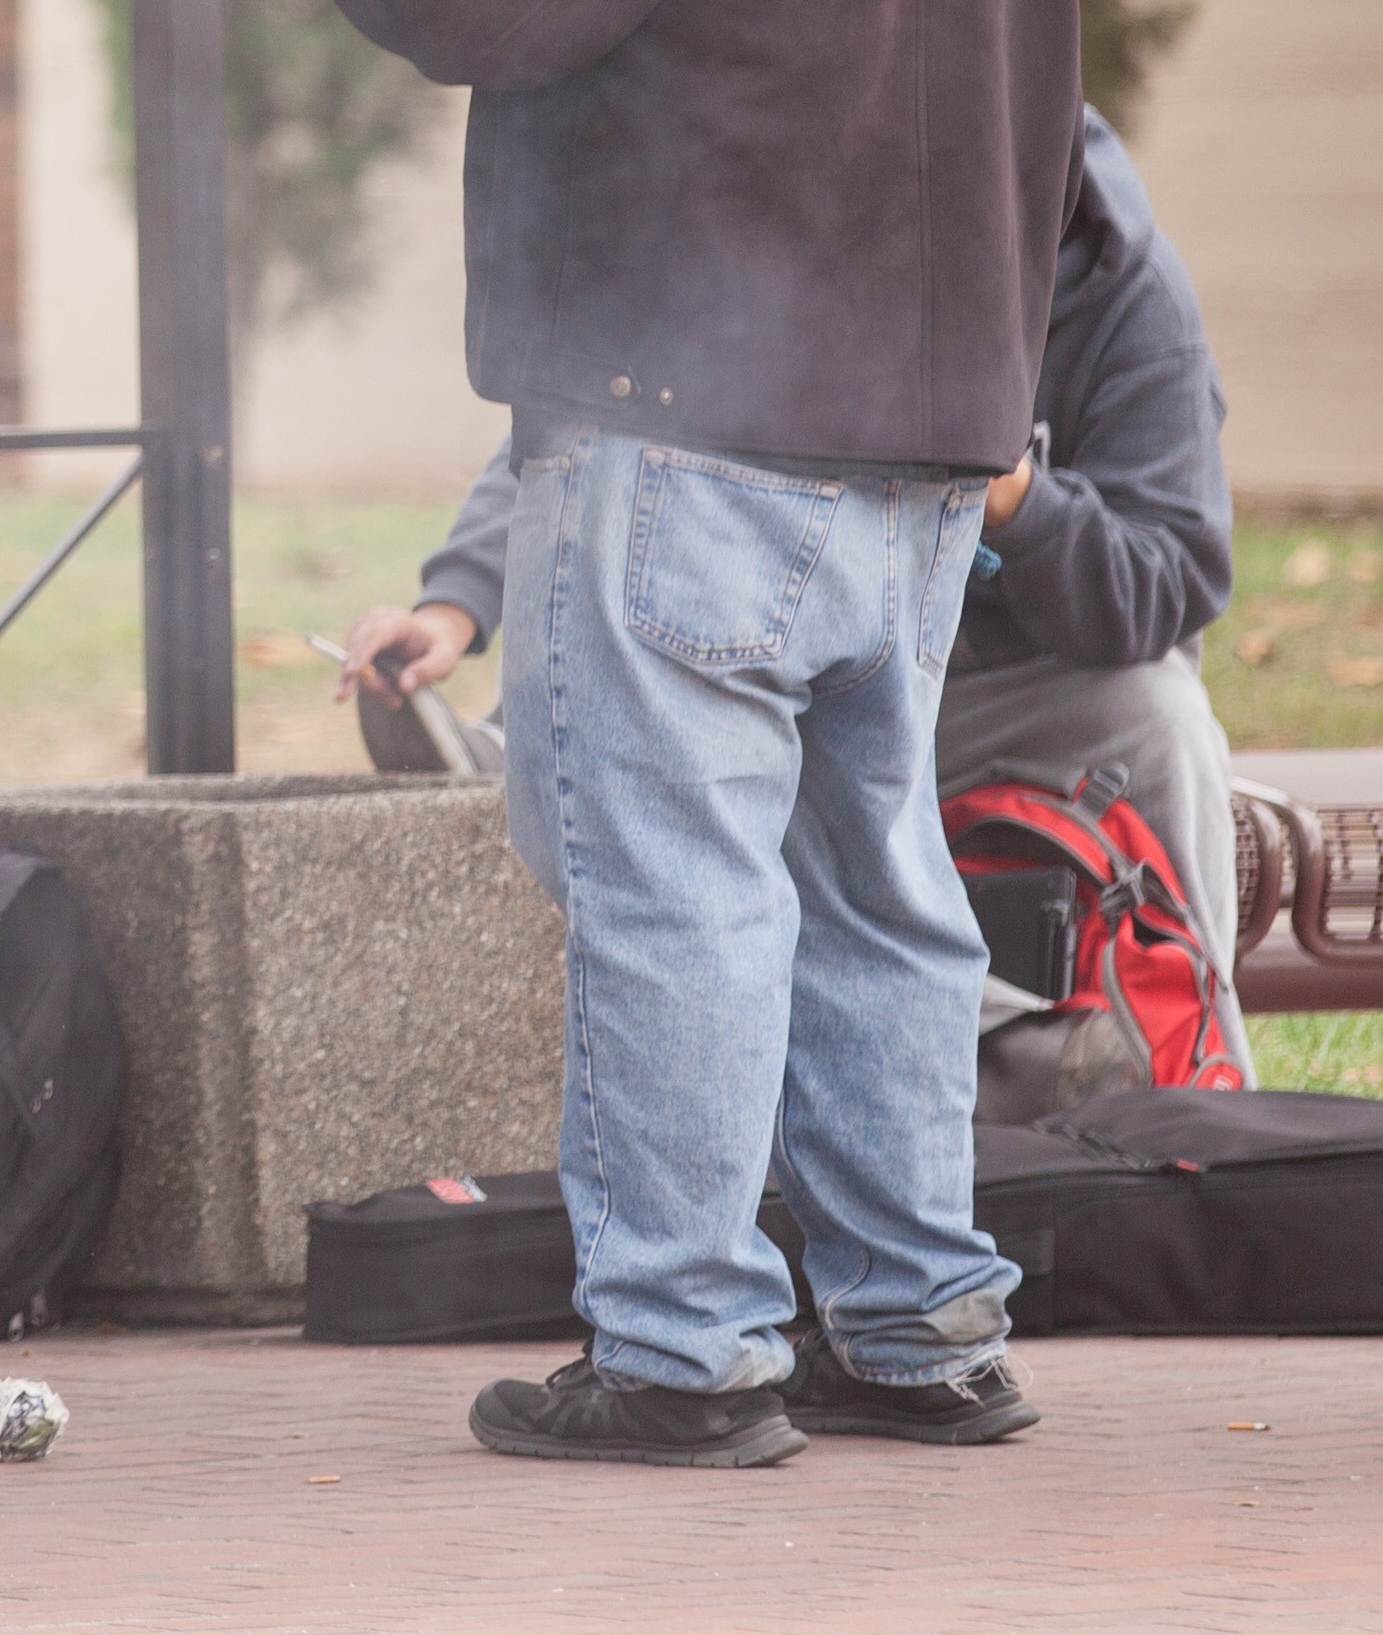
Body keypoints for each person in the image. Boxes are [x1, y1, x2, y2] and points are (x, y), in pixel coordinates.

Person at [308, 0, 1080, 1471]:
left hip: (691, 437)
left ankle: (677, 1345)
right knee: (879, 890)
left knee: (683, 895)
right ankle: (920, 1324)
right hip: (924, 449)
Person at [341, 105, 1252, 1086]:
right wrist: (454, 607)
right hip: (808, 664)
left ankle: (1201, 1082)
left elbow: (1169, 576)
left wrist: (1011, 500)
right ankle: (513, 763)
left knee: (1162, 716)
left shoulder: (1125, 294)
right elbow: (592, 417)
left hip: (1021, 687)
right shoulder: (797, 233)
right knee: (665, 713)